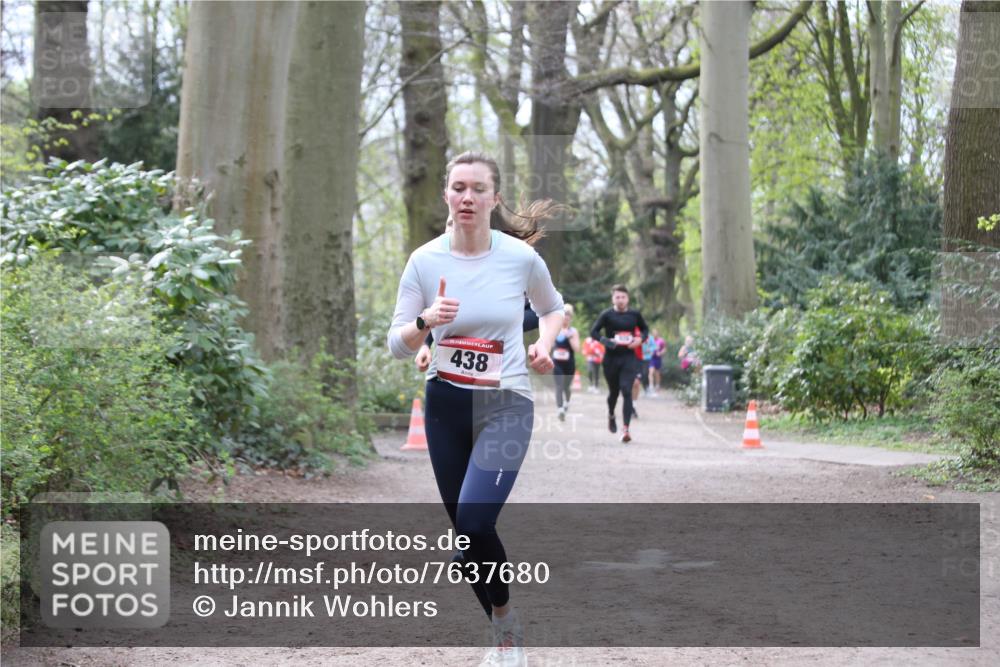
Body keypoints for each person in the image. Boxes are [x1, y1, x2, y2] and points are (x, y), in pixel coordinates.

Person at [388, 151, 564, 667]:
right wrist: (425, 322)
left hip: (506, 402)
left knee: (474, 521)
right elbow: (396, 343)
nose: (467, 197)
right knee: (466, 536)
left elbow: (552, 308)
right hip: (445, 404)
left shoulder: (519, 258)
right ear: (446, 195)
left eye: (478, 189)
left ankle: (506, 627)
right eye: (459, 187)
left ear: (494, 198)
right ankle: (503, 630)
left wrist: (544, 344)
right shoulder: (424, 261)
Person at [589, 285, 649, 443]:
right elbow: (593, 332)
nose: (620, 300)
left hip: (628, 358)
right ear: (613, 299)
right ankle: (611, 414)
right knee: (614, 393)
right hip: (611, 360)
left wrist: (640, 340)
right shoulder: (607, 315)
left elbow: (645, 330)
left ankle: (626, 429)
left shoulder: (634, 314)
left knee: (626, 390)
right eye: (617, 297)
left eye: (623, 297)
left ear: (627, 299)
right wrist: (606, 341)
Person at [551, 304, 580, 421]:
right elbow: (549, 346)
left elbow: (577, 349)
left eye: (568, 315)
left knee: (566, 386)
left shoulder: (573, 331)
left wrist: (569, 337)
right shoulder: (554, 330)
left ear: (570, 317)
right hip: (557, 363)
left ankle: (566, 402)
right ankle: (560, 409)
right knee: (559, 385)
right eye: (564, 314)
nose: (565, 317)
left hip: (569, 363)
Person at [649, 330, 666, 395]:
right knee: (651, 372)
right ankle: (651, 386)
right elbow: (646, 347)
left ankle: (657, 385)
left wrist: (660, 353)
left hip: (658, 358)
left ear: (658, 334)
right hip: (651, 358)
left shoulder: (661, 340)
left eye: (656, 333)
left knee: (657, 373)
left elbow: (664, 349)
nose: (654, 334)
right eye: (653, 333)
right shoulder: (650, 340)